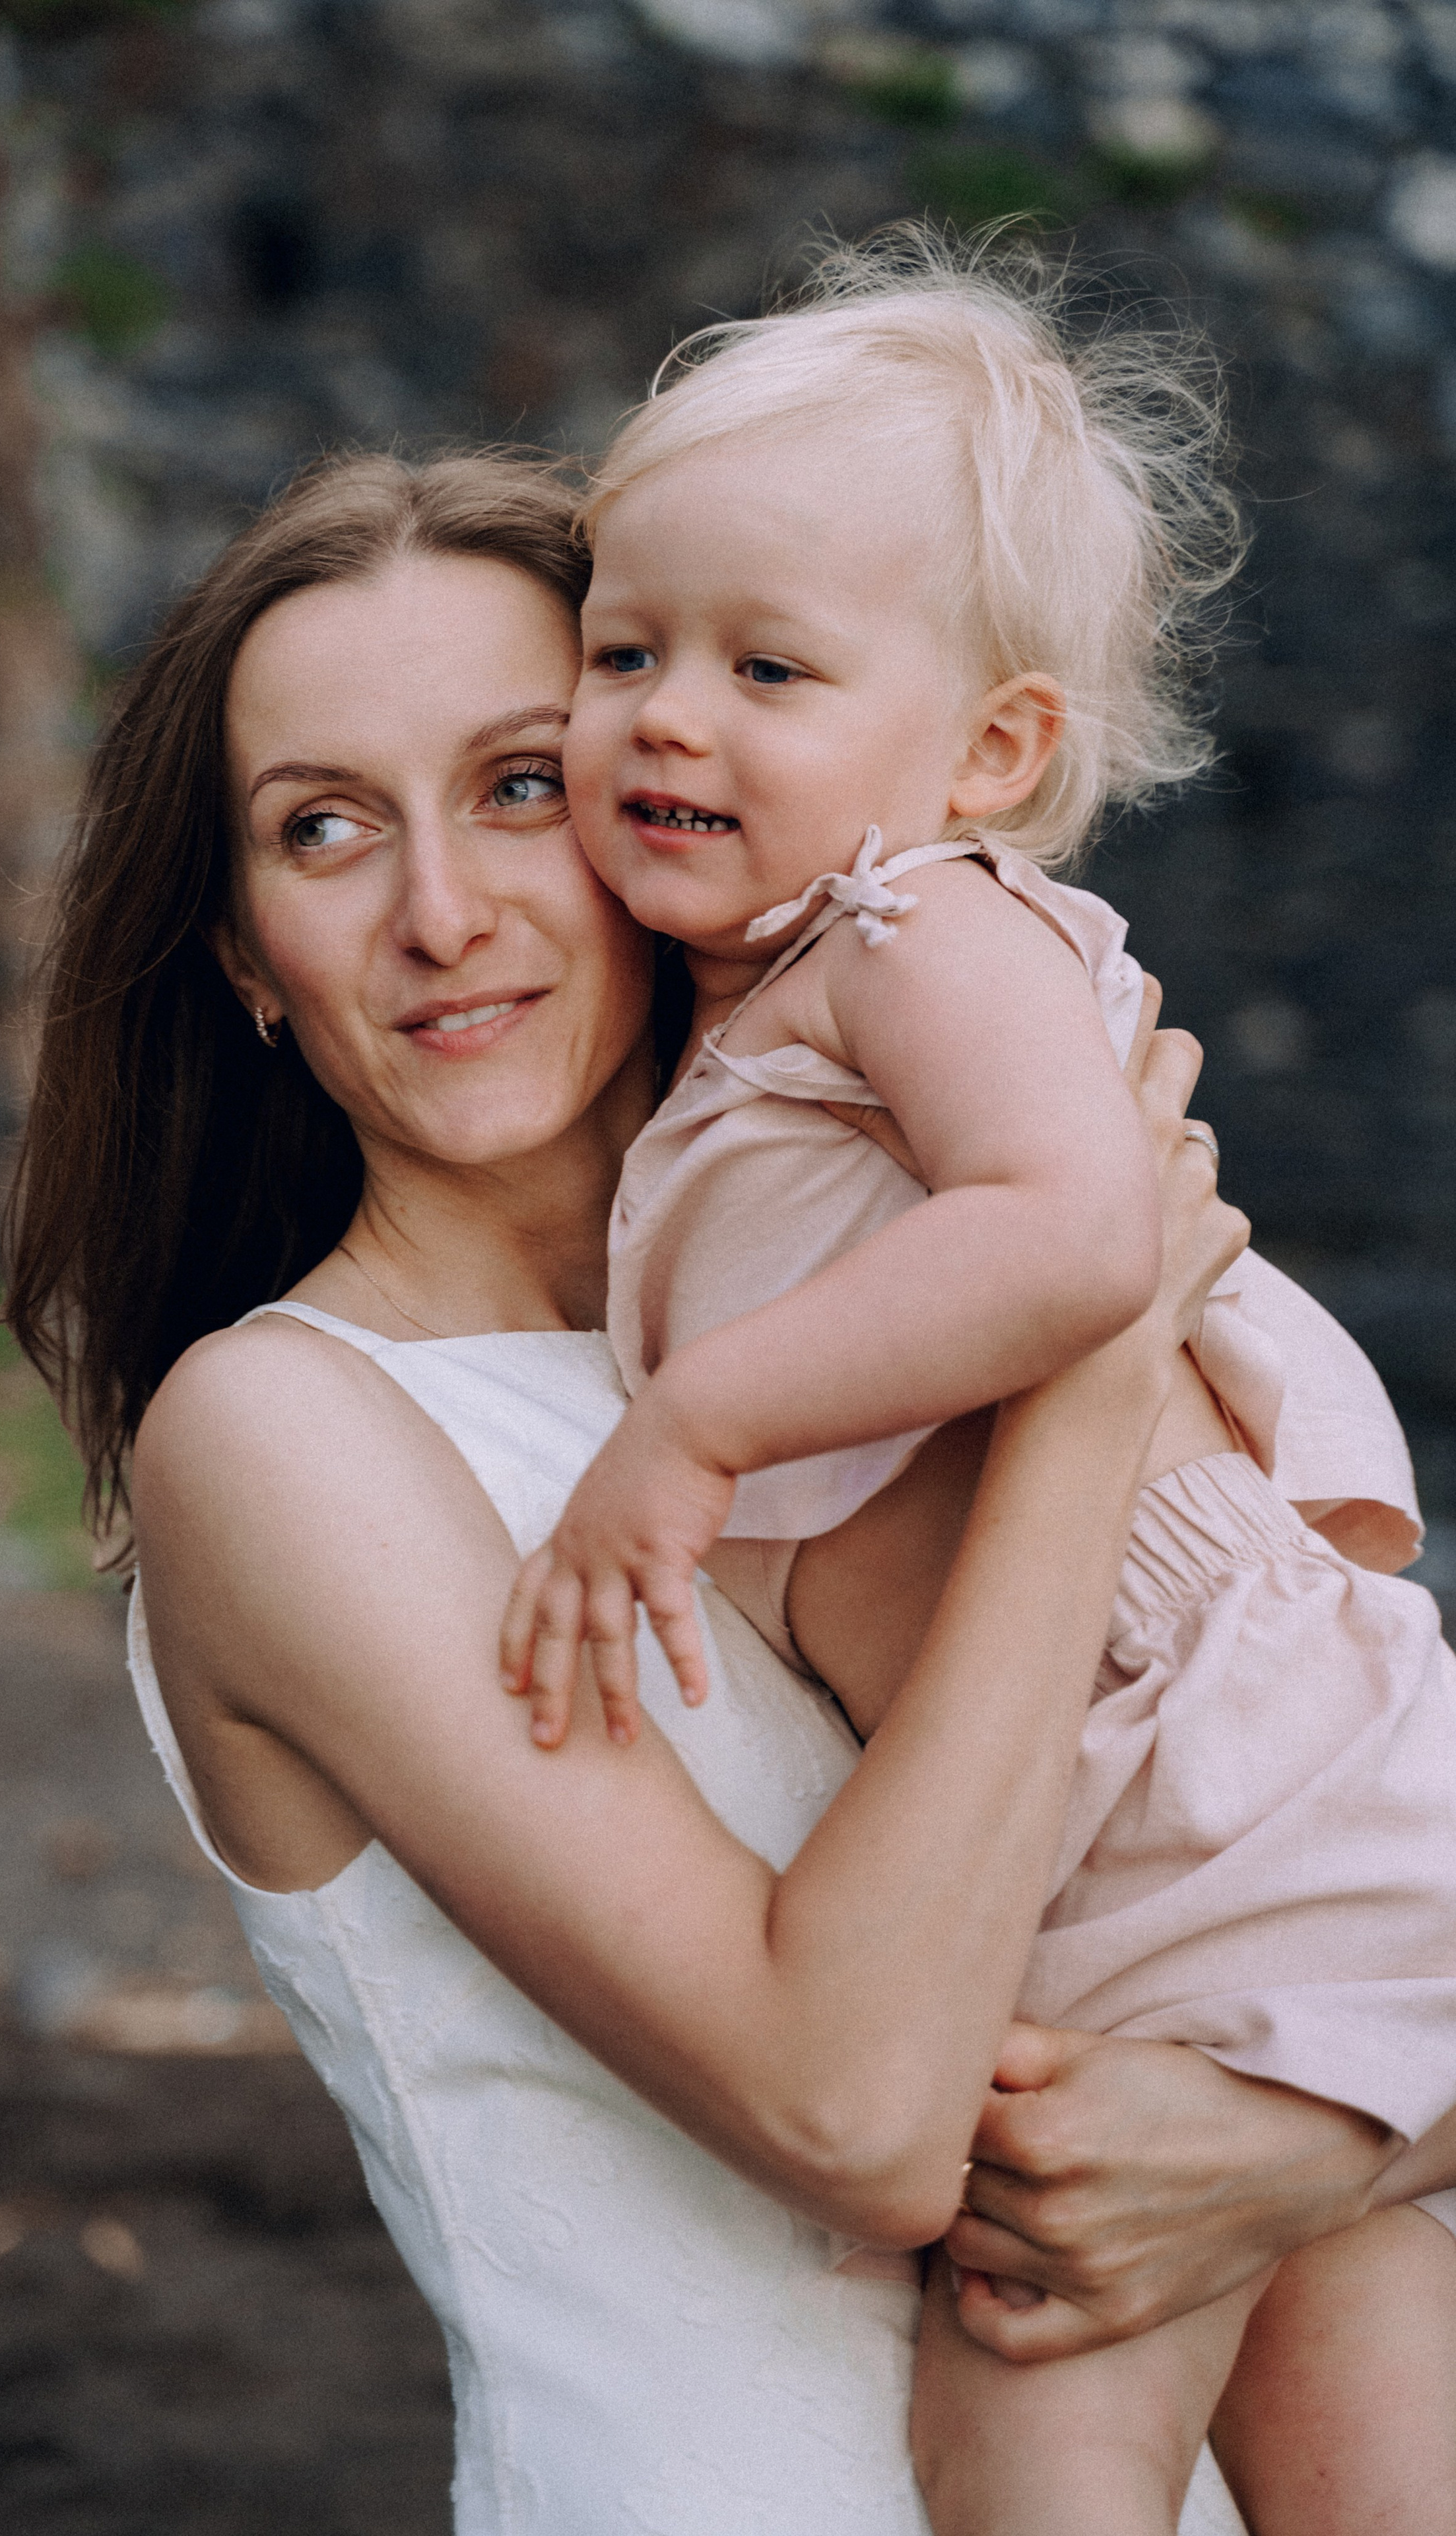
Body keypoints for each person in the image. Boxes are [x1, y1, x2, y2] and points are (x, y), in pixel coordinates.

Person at [3, 448, 1456, 2536]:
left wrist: (1314, 2147)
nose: (442, 911)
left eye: (519, 783)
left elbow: (1343, 1873)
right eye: (323, 829)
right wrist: (1093, 1371)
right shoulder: (283, 1436)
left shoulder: (867, 1289)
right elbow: (853, 2111)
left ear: (665, 800)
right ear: (243, 947)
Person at [493, 234, 1456, 2535]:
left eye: (767, 664)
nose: (666, 716)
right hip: (1123, 1809)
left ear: (993, 751)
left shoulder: (935, 928)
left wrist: (695, 1417)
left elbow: (1076, 1226)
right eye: (622, 650)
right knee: (1345, 2368)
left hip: (1207, 1745)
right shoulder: (769, 1003)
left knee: (1028, 2407)